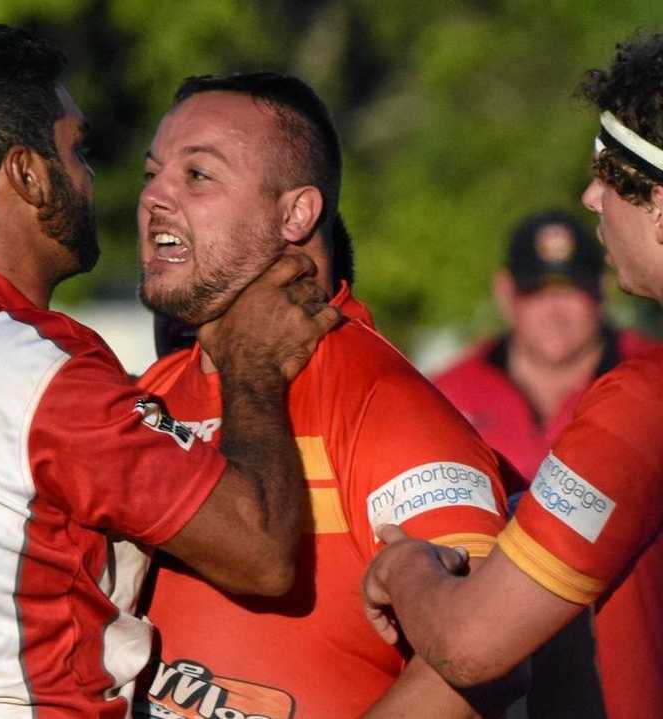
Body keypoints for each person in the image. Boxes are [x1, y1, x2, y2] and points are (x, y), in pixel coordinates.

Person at [0, 24, 339, 717]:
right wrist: (253, 365)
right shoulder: (32, 372)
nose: (97, 180)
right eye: (77, 151)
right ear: (27, 174)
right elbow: (261, 552)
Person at [131, 72, 515, 719]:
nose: (153, 200)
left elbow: (491, 657)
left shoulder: (386, 403)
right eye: (152, 173)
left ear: (297, 214)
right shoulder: (149, 396)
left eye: (197, 176)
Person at [362, 33, 663, 719]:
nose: (590, 197)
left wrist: (404, 566)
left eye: (609, 171)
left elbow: (472, 643)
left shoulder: (643, 404)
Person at [434, 209, 655, 492]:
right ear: (504, 292)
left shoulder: (653, 379)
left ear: (603, 290)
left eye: (571, 290)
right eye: (535, 291)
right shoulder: (447, 396)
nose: (554, 311)